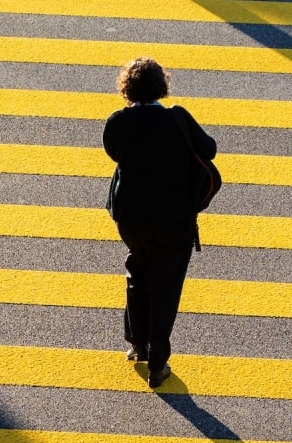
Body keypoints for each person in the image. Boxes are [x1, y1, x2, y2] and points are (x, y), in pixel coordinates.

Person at [103, 57, 217, 389]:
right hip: (174, 219)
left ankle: (137, 344)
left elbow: (114, 152)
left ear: (127, 89)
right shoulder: (177, 119)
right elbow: (209, 149)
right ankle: (158, 364)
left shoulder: (117, 123)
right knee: (167, 284)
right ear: (161, 86)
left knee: (138, 269)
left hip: (131, 218)